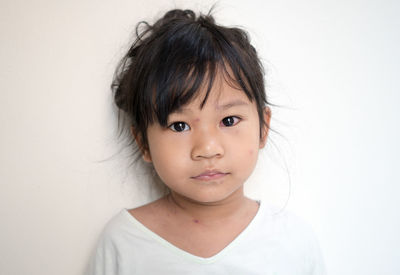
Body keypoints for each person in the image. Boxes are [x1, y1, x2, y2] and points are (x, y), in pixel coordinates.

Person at [87, 8, 325, 275]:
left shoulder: (293, 242)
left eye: (229, 120)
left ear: (263, 127)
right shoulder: (124, 243)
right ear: (143, 143)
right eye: (179, 125)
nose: (208, 149)